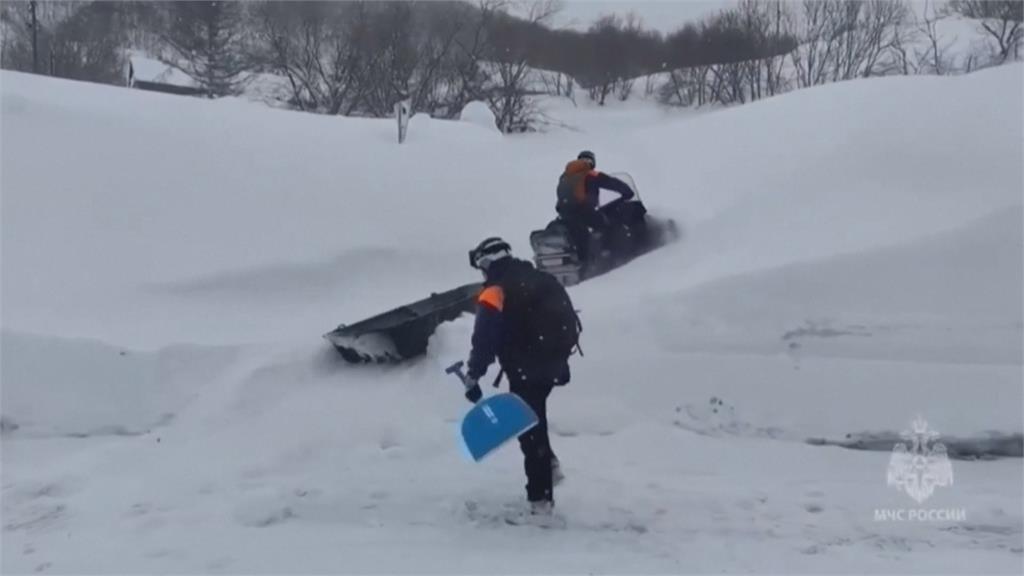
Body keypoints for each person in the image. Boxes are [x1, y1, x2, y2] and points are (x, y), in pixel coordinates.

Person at [464, 237, 580, 516]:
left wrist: (473, 374)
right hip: (551, 364)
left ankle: (540, 502)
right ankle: (549, 469)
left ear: (486, 262)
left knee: (529, 431)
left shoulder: (496, 289)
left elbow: (484, 338)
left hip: (527, 367)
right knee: (532, 422)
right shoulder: (539, 278)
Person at [555, 150, 635, 264]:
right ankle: (608, 256)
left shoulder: (565, 176)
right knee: (607, 225)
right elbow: (612, 183)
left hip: (565, 214)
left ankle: (582, 255)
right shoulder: (591, 174)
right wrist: (627, 192)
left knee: (582, 231)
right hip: (584, 212)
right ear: (592, 162)